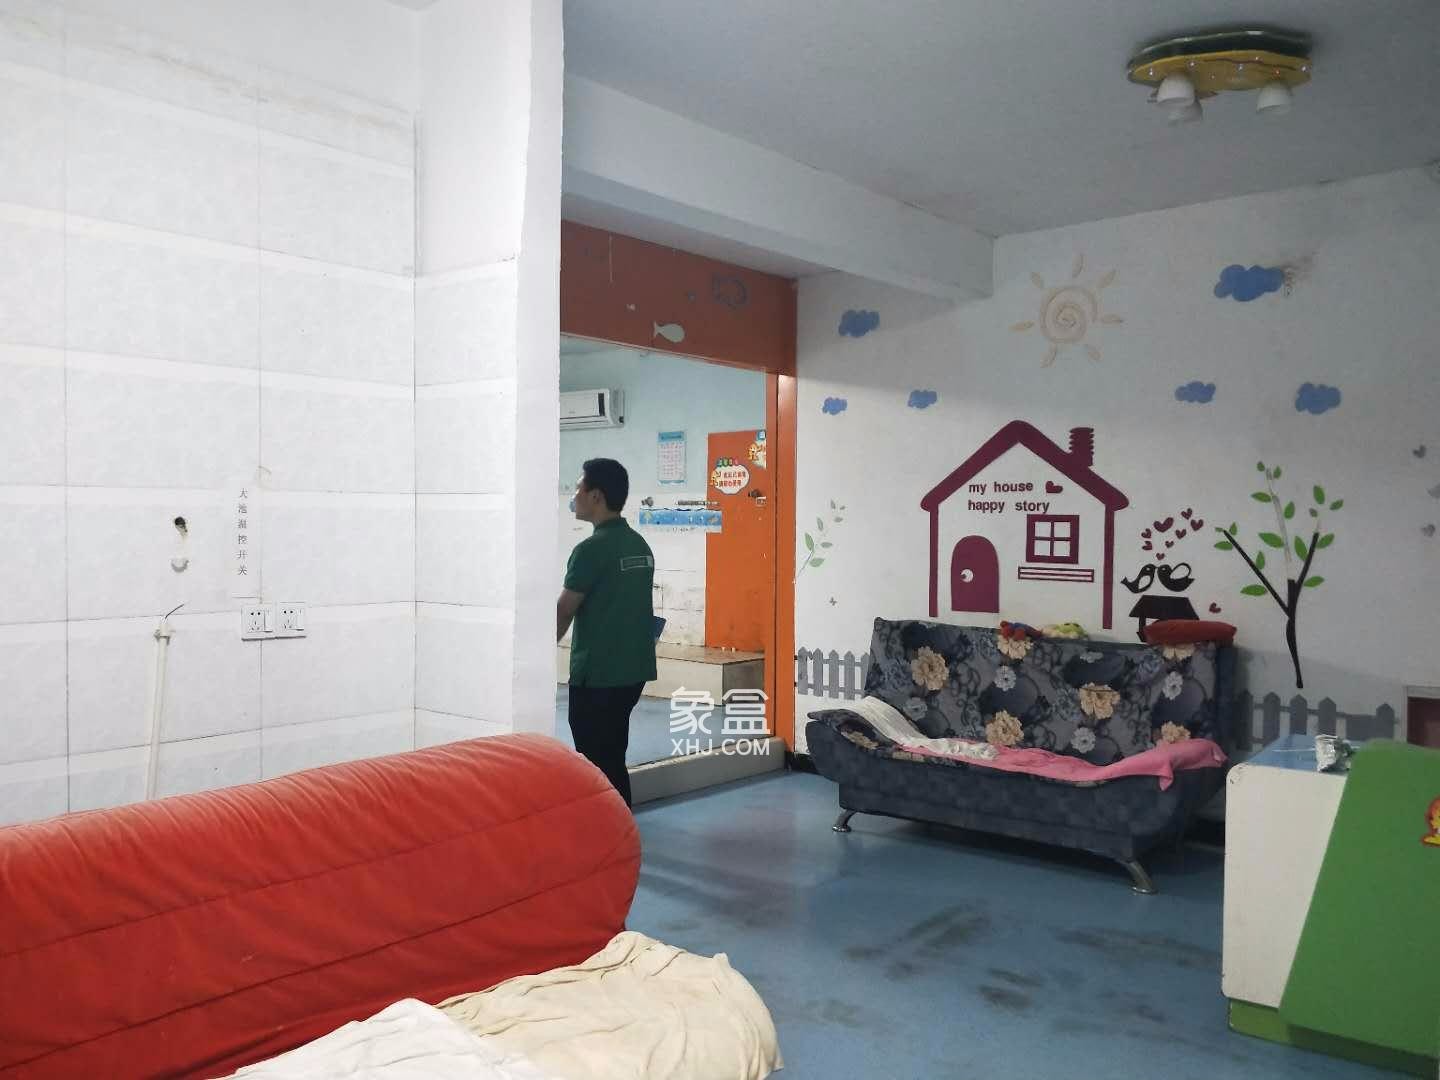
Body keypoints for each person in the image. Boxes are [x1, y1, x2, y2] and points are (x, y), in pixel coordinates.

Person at [556, 458, 657, 807]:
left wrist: (536, 655)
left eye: (578, 489)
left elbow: (564, 610)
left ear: (596, 496)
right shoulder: (639, 546)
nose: (574, 496)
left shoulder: (590, 550)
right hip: (632, 672)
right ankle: (620, 821)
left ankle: (607, 827)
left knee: (594, 760)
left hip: (598, 675)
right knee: (613, 753)